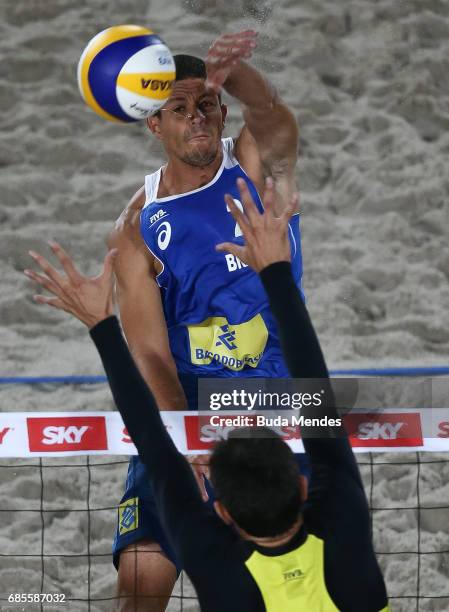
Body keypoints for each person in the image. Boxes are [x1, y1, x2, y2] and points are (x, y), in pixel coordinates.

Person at [25, 177, 390, 612]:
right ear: (302, 481)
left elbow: (155, 448)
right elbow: (311, 382)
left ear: (223, 514)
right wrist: (276, 270)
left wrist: (101, 324)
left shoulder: (222, 575)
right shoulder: (344, 530)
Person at [107, 29, 304, 609]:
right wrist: (184, 435)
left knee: (282, 592)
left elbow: (269, 113)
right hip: (185, 405)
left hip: (278, 405)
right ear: (153, 123)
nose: (198, 118)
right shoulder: (135, 227)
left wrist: (232, 72)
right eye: (180, 108)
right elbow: (146, 353)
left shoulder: (256, 163)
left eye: (208, 104)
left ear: (221, 110)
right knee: (139, 588)